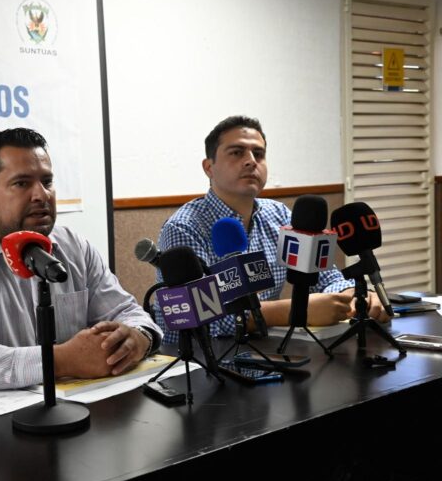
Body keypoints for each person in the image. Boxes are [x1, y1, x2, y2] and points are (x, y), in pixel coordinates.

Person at [0, 128, 162, 395]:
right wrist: (59, 360)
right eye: (22, 183)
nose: (41, 195)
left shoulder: (74, 247)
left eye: (47, 181)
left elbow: (127, 312)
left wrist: (139, 338)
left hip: (55, 407)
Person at [156, 115, 390, 344]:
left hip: (266, 350)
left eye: (258, 154)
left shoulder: (277, 214)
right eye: (237, 152)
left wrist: (353, 294)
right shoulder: (184, 228)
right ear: (209, 167)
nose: (251, 161)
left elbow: (327, 278)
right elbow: (195, 321)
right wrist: (292, 310)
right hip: (200, 359)